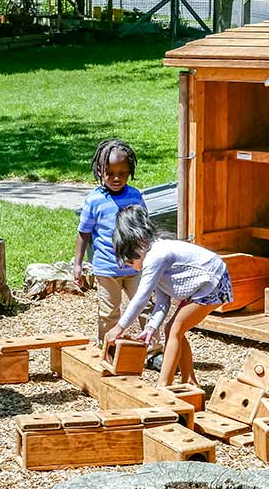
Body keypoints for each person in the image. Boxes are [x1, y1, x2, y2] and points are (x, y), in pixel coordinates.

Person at [104, 205, 233, 387]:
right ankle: (189, 379)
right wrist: (150, 327)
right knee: (174, 329)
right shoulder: (152, 258)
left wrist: (119, 327)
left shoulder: (156, 256)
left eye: (131, 261)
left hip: (214, 282)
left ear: (140, 243)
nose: (131, 267)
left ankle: (163, 385)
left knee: (174, 330)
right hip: (202, 286)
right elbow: (162, 302)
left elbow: (142, 297)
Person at [73, 139, 148, 347]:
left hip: (134, 268)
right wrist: (78, 264)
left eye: (122, 173)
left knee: (145, 307)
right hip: (106, 269)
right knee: (109, 312)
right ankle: (109, 348)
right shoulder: (94, 200)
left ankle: (154, 349)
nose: (116, 178)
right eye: (110, 173)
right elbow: (83, 232)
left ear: (130, 171)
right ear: (100, 170)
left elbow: (143, 229)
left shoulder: (135, 195)